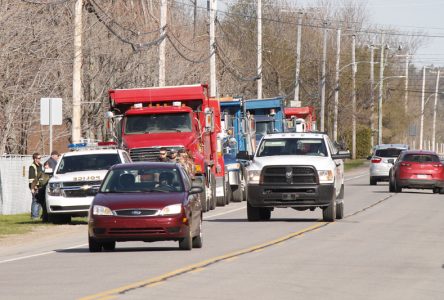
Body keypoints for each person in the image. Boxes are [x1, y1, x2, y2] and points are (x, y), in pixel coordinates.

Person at [28, 152, 43, 220]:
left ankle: (37, 215)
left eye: (40, 158)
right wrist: (33, 187)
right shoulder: (32, 167)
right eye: (38, 158)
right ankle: (34, 216)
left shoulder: (40, 165)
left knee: (39, 201)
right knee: (35, 201)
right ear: (35, 159)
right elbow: (31, 179)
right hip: (34, 186)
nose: (40, 159)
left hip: (40, 186)